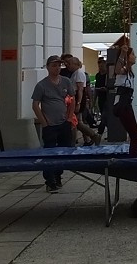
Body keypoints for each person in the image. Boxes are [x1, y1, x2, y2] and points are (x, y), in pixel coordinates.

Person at [31, 55, 75, 192]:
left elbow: (71, 99)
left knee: (64, 150)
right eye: (54, 66)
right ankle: (49, 180)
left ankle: (58, 175)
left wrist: (69, 117)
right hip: (50, 124)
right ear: (48, 67)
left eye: (59, 66)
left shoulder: (66, 82)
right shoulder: (42, 85)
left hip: (64, 122)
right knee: (49, 152)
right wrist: (44, 122)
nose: (57, 68)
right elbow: (35, 104)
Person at [112, 38, 137, 156]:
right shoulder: (124, 71)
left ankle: (133, 156)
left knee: (134, 135)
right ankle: (133, 159)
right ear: (128, 57)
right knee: (136, 136)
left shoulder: (129, 72)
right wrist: (123, 53)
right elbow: (118, 69)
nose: (135, 57)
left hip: (125, 104)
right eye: (133, 54)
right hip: (123, 106)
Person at [65, 56, 101, 146]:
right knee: (77, 121)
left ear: (75, 64)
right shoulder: (75, 73)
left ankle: (93, 135)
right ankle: (91, 137)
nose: (68, 66)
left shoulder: (79, 74)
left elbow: (80, 89)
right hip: (75, 98)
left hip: (77, 98)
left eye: (70, 64)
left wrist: (78, 103)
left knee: (76, 121)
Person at [93, 56, 109, 136]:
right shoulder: (98, 75)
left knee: (104, 116)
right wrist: (94, 100)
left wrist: (106, 89)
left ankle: (99, 132)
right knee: (104, 115)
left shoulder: (108, 75)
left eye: (102, 65)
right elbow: (96, 88)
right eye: (99, 66)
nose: (101, 67)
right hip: (101, 98)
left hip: (107, 97)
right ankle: (108, 131)